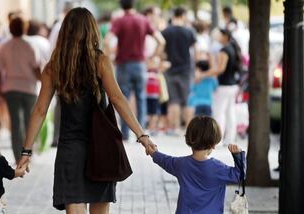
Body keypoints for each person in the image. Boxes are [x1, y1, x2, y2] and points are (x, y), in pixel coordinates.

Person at [17, 8, 157, 214]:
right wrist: (142, 136)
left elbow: (40, 111)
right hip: (100, 148)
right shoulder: (100, 62)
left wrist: (26, 151)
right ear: (92, 32)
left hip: (69, 150)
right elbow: (118, 100)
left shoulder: (54, 67)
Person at [146, 116, 246, 214]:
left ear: (189, 139)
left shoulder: (181, 164)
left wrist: (153, 153)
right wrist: (238, 156)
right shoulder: (218, 168)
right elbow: (239, 175)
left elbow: (165, 161)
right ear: (213, 144)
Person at [104, 0, 165, 140]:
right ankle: (141, 133)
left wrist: (110, 58)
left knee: (122, 99)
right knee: (141, 97)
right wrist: (152, 57)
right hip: (140, 64)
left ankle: (125, 133)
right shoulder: (143, 20)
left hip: (123, 64)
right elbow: (161, 41)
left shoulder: (119, 21)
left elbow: (107, 41)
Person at [0, 17, 41, 162]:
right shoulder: (30, 45)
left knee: (15, 123)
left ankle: (18, 157)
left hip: (11, 88)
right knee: (29, 122)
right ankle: (28, 155)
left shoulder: (4, 46)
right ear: (24, 28)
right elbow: (37, 68)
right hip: (29, 88)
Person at [196, 28, 242, 145]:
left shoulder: (224, 50)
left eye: (220, 35)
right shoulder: (233, 48)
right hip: (233, 85)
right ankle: (229, 138)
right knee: (229, 112)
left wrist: (203, 75)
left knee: (219, 112)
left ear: (225, 36)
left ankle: (218, 139)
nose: (218, 37)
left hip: (224, 86)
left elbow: (220, 69)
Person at [162, 7, 197, 135]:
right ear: (183, 15)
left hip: (170, 69)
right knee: (187, 100)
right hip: (186, 70)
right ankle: (189, 129)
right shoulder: (189, 32)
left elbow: (161, 49)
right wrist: (196, 68)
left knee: (173, 100)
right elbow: (195, 51)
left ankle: (174, 128)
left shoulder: (166, 31)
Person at [49, 1, 74, 147]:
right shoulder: (70, 27)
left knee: (60, 103)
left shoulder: (59, 27)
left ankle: (57, 137)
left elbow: (52, 48)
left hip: (62, 67)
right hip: (73, 69)